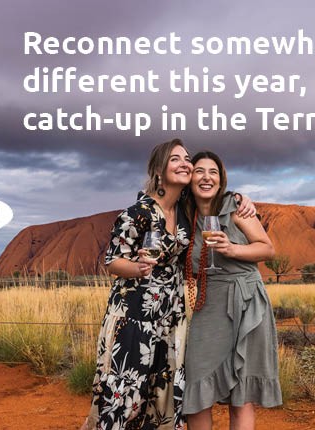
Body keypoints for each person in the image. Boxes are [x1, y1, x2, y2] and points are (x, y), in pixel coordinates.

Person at [82, 139, 256, 430]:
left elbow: (214, 192)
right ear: (159, 171)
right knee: (126, 392)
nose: (185, 163)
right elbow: (112, 261)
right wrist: (136, 268)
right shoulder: (136, 213)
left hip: (171, 317)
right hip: (134, 315)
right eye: (175, 159)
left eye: (186, 158)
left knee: (162, 395)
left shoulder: (185, 212)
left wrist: (239, 197)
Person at [183, 151, 282, 430]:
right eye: (199, 171)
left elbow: (268, 248)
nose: (206, 177)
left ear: (221, 178)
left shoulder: (235, 206)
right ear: (189, 178)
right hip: (209, 303)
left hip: (246, 301)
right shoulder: (184, 215)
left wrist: (233, 249)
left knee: (242, 395)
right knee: (197, 387)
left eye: (213, 172)